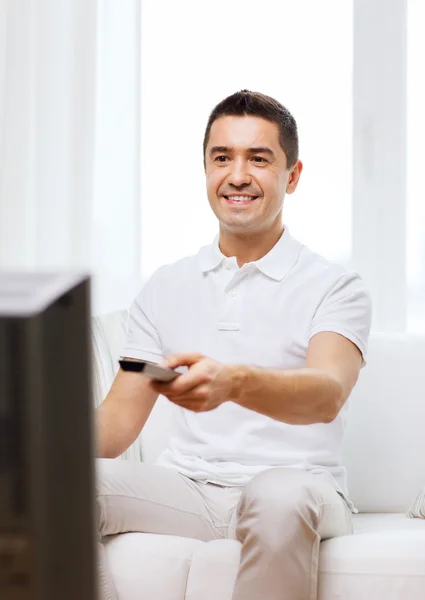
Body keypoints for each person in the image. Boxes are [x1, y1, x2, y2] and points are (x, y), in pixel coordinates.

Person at [96, 90, 372, 600]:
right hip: (191, 489)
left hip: (300, 485)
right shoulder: (165, 285)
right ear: (205, 169)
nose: (237, 175)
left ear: (292, 176)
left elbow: (328, 393)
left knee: (280, 496)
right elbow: (114, 428)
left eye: (258, 158)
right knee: (54, 484)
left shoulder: (335, 286)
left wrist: (235, 382)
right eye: (222, 157)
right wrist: (29, 439)